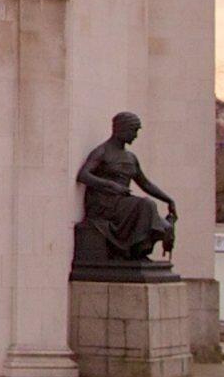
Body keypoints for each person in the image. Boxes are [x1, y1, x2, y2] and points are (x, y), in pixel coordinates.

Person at [74, 111, 178, 266]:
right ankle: (137, 250)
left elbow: (145, 184)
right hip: (103, 204)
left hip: (121, 203)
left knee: (150, 210)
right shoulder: (102, 151)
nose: (135, 136)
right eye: (133, 130)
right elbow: (83, 175)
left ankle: (141, 250)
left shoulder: (130, 157)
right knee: (146, 205)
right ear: (121, 129)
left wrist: (168, 199)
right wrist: (110, 185)